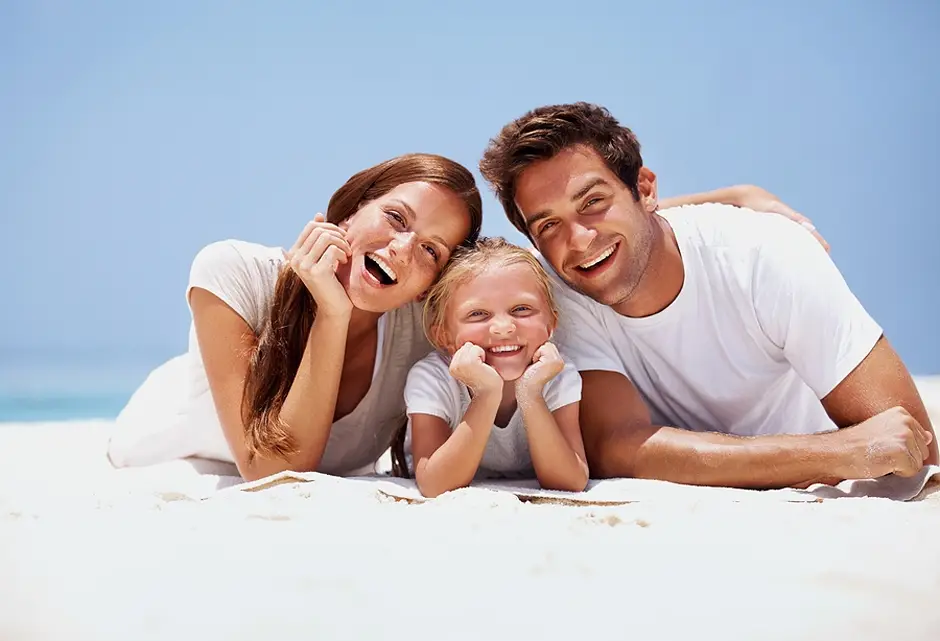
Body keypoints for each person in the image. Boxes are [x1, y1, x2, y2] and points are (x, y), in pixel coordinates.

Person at [478, 102, 937, 490]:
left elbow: (908, 443)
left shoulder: (766, 253)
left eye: (593, 202)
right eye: (549, 225)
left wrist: (737, 199)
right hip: (820, 462)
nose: (578, 241)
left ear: (644, 188)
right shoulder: (558, 295)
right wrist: (833, 452)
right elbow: (614, 445)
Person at [404, 237, 588, 498]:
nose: (503, 327)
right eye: (478, 314)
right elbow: (434, 485)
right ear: (444, 336)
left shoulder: (556, 374)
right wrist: (487, 394)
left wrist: (530, 394)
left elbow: (571, 481)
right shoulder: (432, 378)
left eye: (521, 309)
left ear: (551, 324)